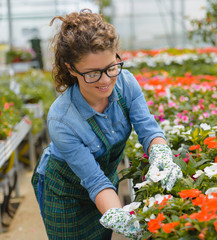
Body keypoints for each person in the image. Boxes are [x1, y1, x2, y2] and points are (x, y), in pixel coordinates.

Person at [31, 9, 183, 240]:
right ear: (71, 69)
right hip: (66, 194)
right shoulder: (62, 120)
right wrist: (116, 212)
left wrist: (160, 152)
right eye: (92, 73)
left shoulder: (126, 83)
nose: (106, 80)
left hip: (105, 186)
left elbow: (148, 129)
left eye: (111, 67)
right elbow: (93, 180)